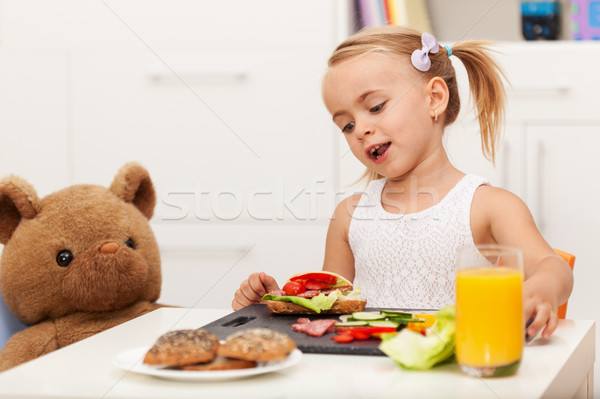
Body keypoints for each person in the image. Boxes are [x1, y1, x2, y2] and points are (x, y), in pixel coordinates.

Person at [232, 26, 573, 339]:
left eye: (376, 107)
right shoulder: (349, 216)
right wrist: (278, 305)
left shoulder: (488, 206)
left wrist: (542, 287)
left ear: (434, 98)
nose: (361, 129)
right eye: (347, 125)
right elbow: (330, 309)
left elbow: (553, 267)